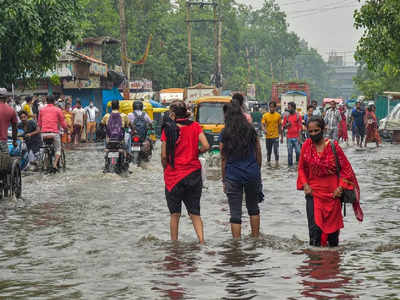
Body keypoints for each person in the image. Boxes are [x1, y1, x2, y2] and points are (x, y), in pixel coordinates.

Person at [297, 116, 363, 247]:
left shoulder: (334, 147)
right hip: (313, 194)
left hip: (333, 195)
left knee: (333, 238)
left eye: (316, 130)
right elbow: (301, 169)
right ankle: (315, 264)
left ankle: (332, 265)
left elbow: (346, 170)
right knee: (314, 234)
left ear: (323, 129)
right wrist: (305, 184)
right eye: (310, 132)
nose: (313, 134)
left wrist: (341, 187)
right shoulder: (306, 146)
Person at [161, 100, 209, 243]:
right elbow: (206, 145)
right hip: (193, 174)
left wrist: (166, 168)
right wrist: (196, 152)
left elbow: (164, 156)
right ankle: (202, 241)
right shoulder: (195, 126)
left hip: (173, 176)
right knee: (195, 212)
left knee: (175, 215)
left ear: (173, 114)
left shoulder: (168, 129)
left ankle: (174, 245)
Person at [220, 103, 262, 238]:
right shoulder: (251, 130)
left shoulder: (225, 132)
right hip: (252, 173)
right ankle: (255, 239)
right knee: (253, 208)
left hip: (233, 175)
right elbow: (258, 152)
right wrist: (257, 170)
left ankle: (236, 246)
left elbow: (223, 158)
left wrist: (224, 179)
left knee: (235, 213)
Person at [34, 95, 67, 171]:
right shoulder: (58, 110)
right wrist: (66, 130)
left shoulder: (41, 110)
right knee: (58, 149)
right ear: (54, 101)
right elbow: (63, 123)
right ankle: (55, 164)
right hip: (54, 133)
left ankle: (44, 162)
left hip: (44, 134)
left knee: (44, 147)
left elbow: (39, 124)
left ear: (46, 101)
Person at [281, 102, 302, 166]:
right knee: (289, 153)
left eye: (289, 107)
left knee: (298, 152)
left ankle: (297, 165)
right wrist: (287, 125)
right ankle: (290, 167)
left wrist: (299, 137)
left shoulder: (298, 116)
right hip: (289, 137)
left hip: (296, 137)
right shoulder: (286, 116)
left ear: (293, 108)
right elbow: (283, 127)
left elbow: (300, 127)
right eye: (288, 107)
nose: (288, 108)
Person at [0, 89, 18, 154]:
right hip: (2, 141)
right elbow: (14, 128)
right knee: (6, 162)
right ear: (6, 98)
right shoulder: (11, 110)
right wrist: (14, 141)